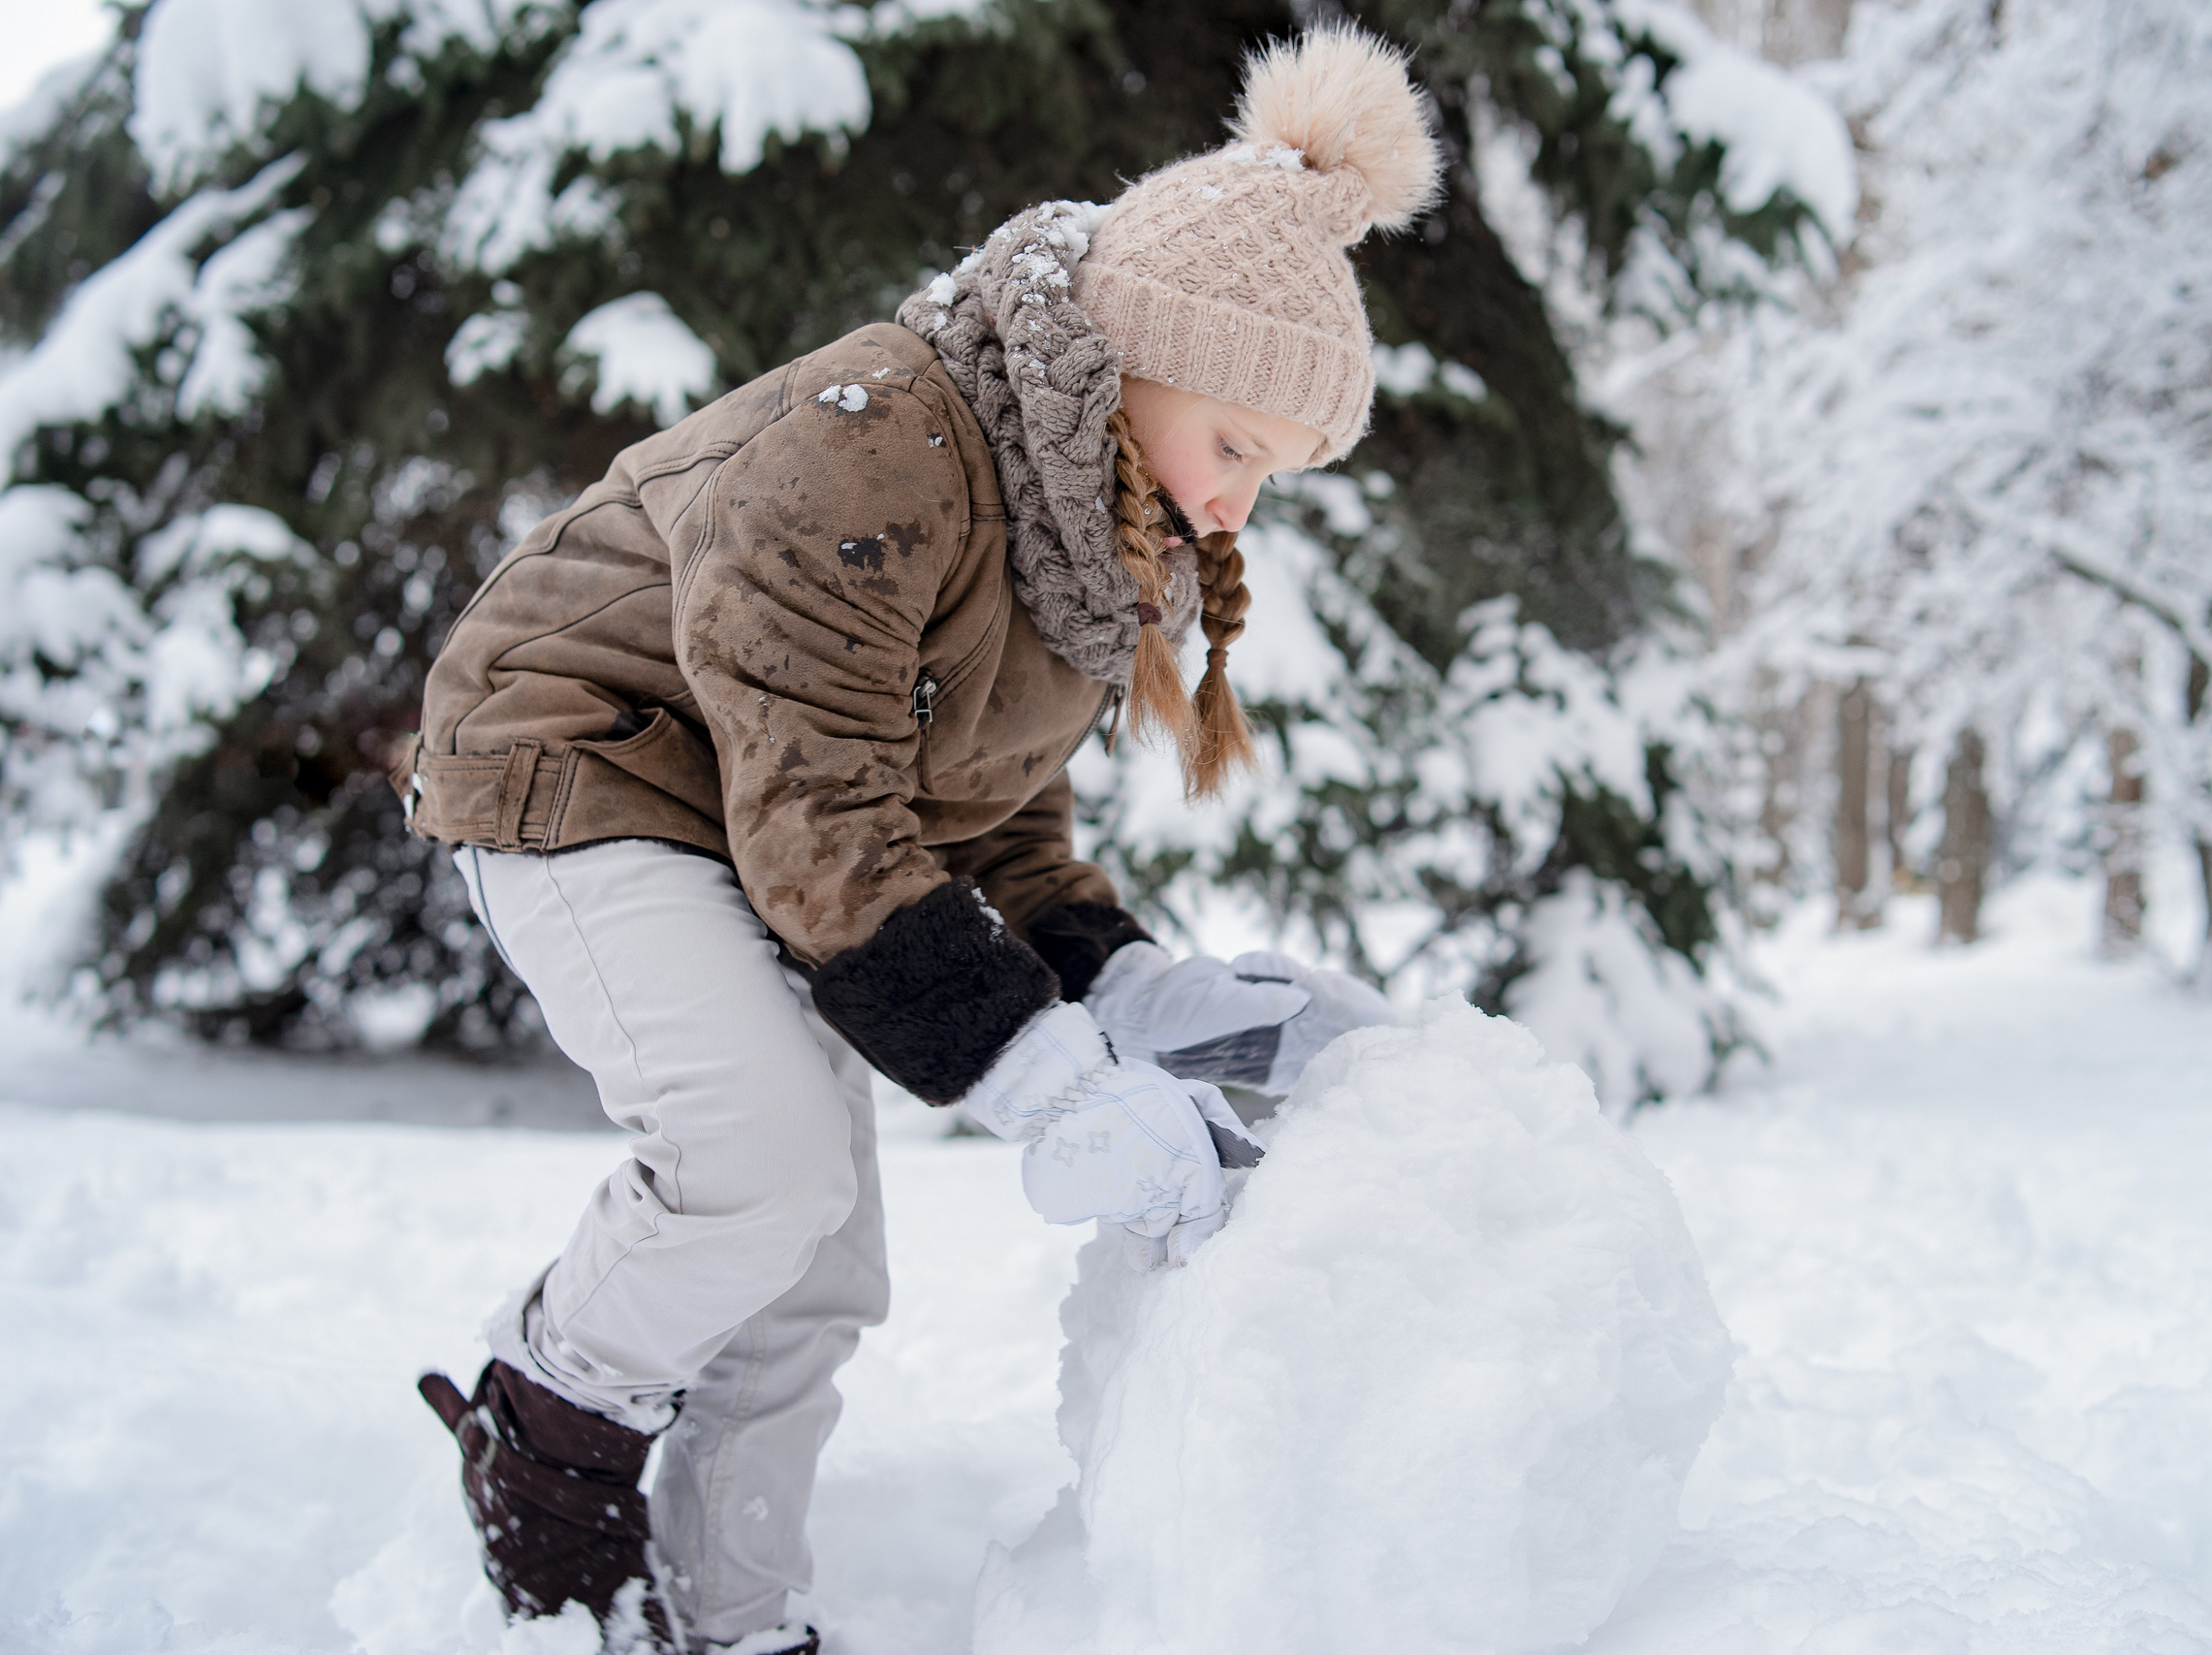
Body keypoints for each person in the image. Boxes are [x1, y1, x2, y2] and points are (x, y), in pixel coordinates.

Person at [398, 26, 1438, 1654]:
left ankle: (735, 1621)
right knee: (759, 1161)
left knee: (818, 1265)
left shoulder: (1083, 541)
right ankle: (546, 1429)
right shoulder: (876, 438)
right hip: (584, 759)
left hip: (755, 815)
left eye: (1275, 474)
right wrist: (1040, 1079)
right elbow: (820, 803)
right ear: (1129, 356)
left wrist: (1126, 987)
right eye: (1235, 443)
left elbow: (987, 812)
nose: (1239, 504)